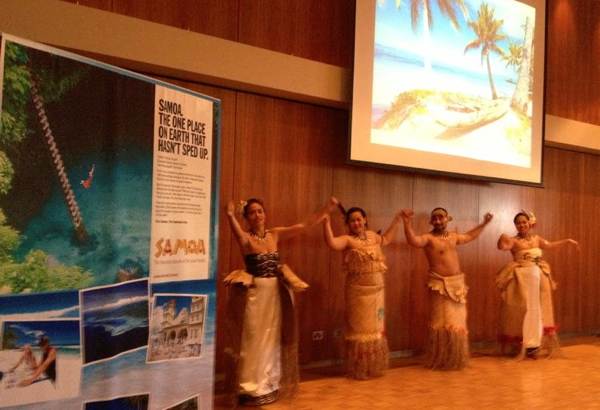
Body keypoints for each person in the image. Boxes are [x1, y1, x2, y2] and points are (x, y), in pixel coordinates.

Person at [223, 197, 334, 406]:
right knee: (252, 339)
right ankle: (249, 388)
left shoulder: (275, 234)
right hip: (254, 296)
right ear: (246, 217)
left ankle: (269, 385)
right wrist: (230, 215)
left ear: (265, 213)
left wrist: (326, 209)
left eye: (260, 211)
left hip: (274, 294)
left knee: (271, 339)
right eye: (252, 212)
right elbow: (236, 232)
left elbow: (303, 225)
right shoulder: (246, 238)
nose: (257, 215)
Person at [401, 207, 493, 370]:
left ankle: (455, 357)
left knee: (456, 322)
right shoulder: (428, 238)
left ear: (447, 219)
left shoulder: (453, 237)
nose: (438, 221)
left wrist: (484, 223)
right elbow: (414, 241)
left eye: (441, 217)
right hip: (439, 285)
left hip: (457, 285)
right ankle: (441, 358)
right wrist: (407, 224)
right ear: (431, 221)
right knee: (440, 322)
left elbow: (471, 235)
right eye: (434, 218)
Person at [322, 199, 402, 379]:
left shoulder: (373, 236)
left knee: (376, 328)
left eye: (359, 219)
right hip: (358, 293)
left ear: (365, 220)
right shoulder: (347, 240)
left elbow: (387, 239)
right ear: (348, 224)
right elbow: (332, 244)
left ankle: (374, 366)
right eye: (352, 221)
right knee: (360, 331)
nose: (356, 223)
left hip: (378, 291)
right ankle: (360, 368)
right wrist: (326, 224)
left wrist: (396, 221)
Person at [496, 210, 579, 359]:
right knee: (523, 310)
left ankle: (534, 345)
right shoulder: (513, 241)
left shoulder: (536, 239)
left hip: (538, 278)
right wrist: (501, 237)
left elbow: (550, 245)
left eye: (524, 222)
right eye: (518, 223)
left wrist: (567, 241)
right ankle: (522, 345)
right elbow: (502, 247)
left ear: (530, 223)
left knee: (537, 310)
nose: (521, 225)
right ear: (515, 225)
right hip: (521, 279)